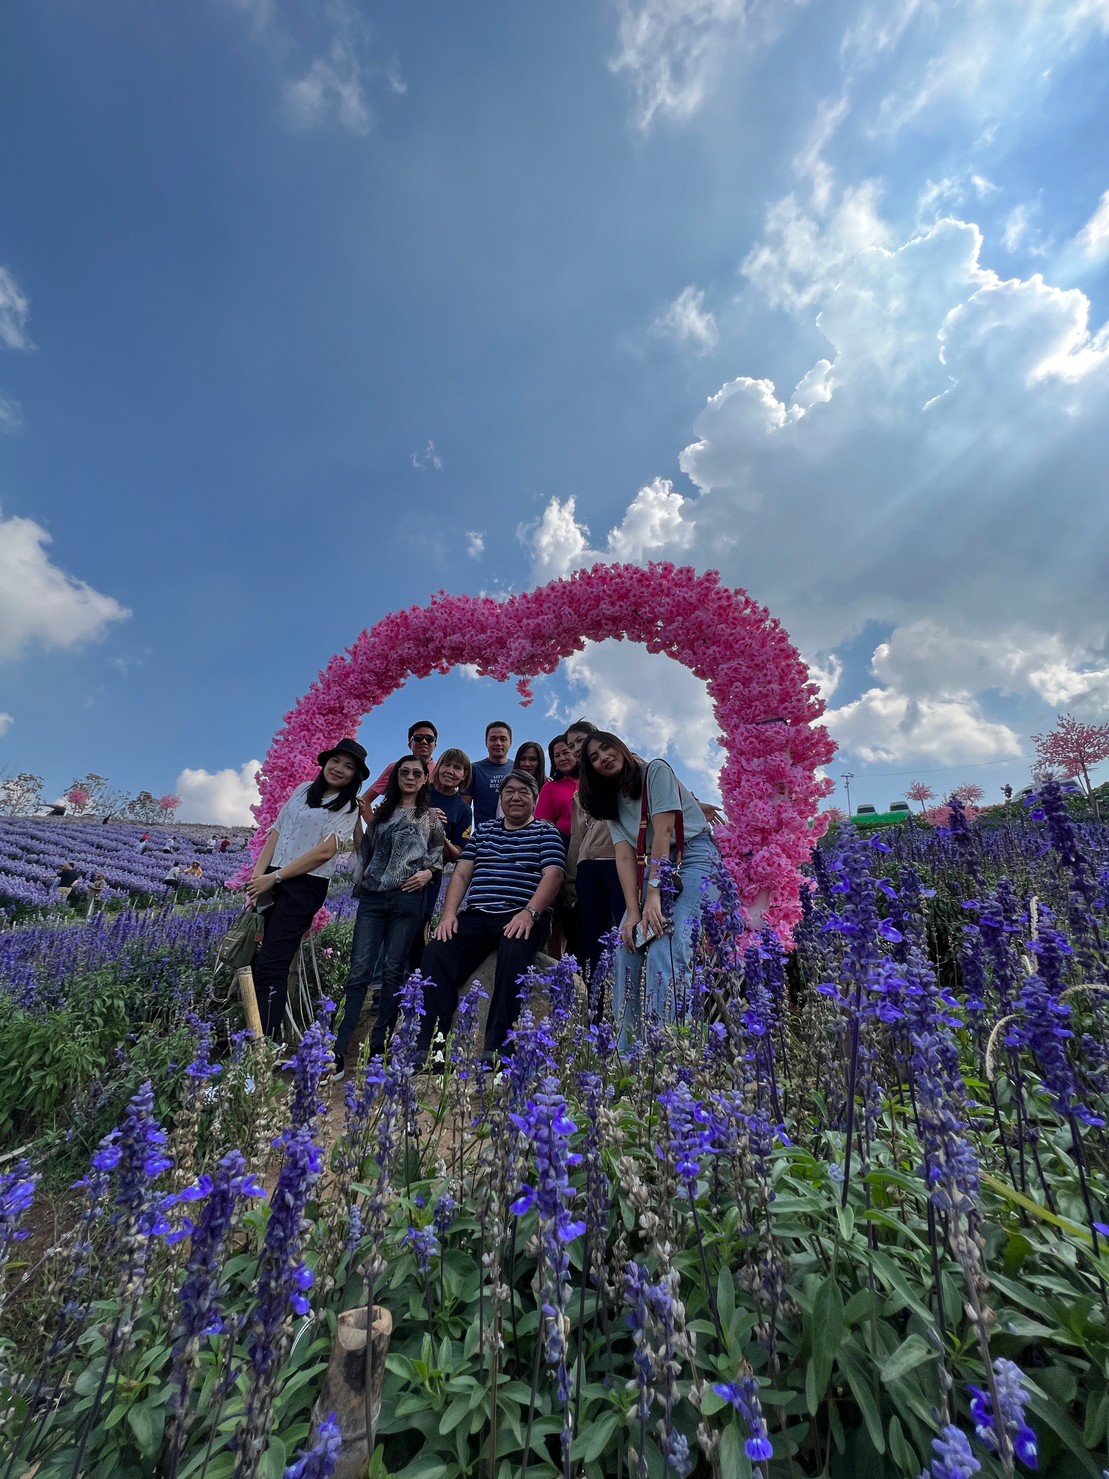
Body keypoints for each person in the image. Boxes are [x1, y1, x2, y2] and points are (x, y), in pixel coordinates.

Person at [578, 730, 722, 1046]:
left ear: (621, 747)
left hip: (693, 857)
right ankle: (627, 1054)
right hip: (653, 868)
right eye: (594, 758)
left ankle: (669, 1050)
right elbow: (624, 855)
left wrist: (653, 894)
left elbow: (664, 832)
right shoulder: (610, 800)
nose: (604, 758)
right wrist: (632, 913)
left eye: (606, 748)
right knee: (625, 947)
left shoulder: (655, 771)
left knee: (666, 946)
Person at [417, 769, 564, 1061]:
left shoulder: (546, 832)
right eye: (510, 792)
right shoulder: (484, 831)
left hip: (522, 914)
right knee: (436, 952)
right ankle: (431, 1047)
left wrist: (529, 912)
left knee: (513, 954)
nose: (516, 797)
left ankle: (498, 1048)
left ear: (535, 799)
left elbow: (554, 874)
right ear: (501, 798)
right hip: (478, 914)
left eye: (524, 792)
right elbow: (462, 874)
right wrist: (449, 914)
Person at [246, 738, 366, 1041]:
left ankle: (264, 1043)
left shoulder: (349, 807)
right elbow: (276, 833)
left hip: (304, 885)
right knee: (254, 959)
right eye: (335, 761)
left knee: (272, 964)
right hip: (271, 878)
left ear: (355, 775)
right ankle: (253, 1034)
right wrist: (258, 879)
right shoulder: (302, 791)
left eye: (348, 766)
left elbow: (325, 852)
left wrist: (274, 879)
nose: (339, 769)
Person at [333, 755, 445, 1077]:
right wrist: (357, 820)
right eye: (404, 772)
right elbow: (365, 851)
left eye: (416, 773)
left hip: (407, 899)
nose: (409, 777)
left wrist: (428, 873)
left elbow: (437, 857)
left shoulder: (430, 817)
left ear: (424, 779)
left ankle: (379, 1045)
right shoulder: (381, 813)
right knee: (359, 972)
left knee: (394, 971)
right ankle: (338, 1049)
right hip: (373, 897)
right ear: (396, 778)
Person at [564, 720, 623, 1000]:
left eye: (580, 741)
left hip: (618, 860)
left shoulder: (622, 765)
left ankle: (625, 999)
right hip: (587, 868)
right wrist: (570, 881)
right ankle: (596, 1007)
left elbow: (660, 790)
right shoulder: (580, 793)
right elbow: (577, 838)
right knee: (593, 939)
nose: (576, 748)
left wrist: (692, 803)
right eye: (571, 745)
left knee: (621, 931)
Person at [365, 721, 438, 801]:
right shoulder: (395, 768)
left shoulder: (440, 771)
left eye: (429, 739)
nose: (424, 742)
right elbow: (366, 799)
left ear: (435, 745)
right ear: (410, 745)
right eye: (418, 738)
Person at [466, 721, 514, 825]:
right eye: (493, 739)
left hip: (516, 832)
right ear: (486, 742)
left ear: (510, 742)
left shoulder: (518, 769)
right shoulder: (474, 769)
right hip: (484, 833)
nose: (498, 743)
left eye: (503, 739)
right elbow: (464, 808)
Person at [535, 734, 576, 838]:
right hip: (563, 843)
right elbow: (543, 824)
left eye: (566, 752)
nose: (562, 758)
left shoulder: (593, 781)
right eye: (557, 756)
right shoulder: (550, 787)